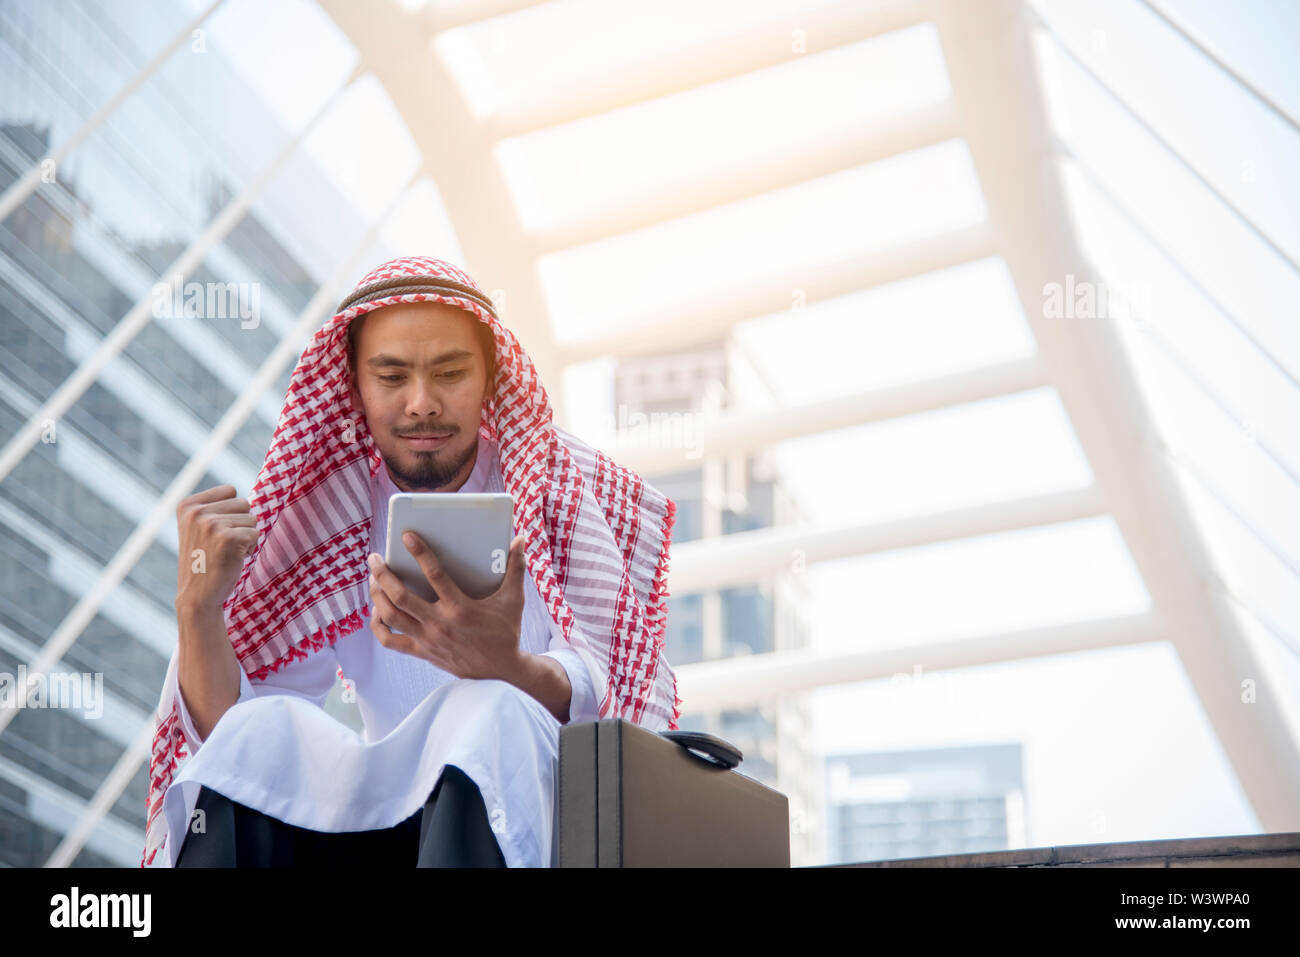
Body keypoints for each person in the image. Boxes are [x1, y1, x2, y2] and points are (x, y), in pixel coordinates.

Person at [142, 255, 680, 867]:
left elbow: (618, 710)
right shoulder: (329, 515)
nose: (421, 404)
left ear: (490, 377)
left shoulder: (561, 491)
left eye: (449, 373)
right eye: (392, 377)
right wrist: (196, 608)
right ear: (354, 386)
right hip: (397, 821)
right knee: (263, 730)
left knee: (491, 709)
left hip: (543, 819)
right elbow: (229, 736)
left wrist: (507, 667)